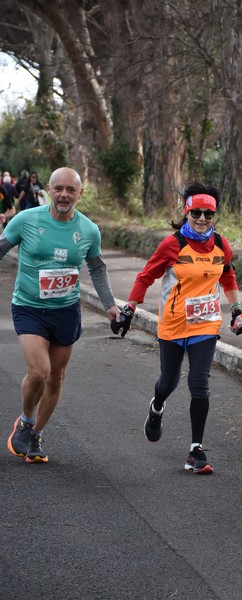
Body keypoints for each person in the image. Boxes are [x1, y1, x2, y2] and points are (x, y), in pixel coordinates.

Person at [111, 181, 242, 474]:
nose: (201, 219)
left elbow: (227, 276)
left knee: (199, 384)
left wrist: (236, 309)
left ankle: (195, 450)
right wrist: (130, 308)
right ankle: (157, 406)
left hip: (206, 324)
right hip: (173, 326)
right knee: (168, 384)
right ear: (186, 212)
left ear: (215, 216)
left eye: (208, 214)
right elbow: (146, 276)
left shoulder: (222, 245)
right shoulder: (172, 244)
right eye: (195, 212)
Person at [0, 167, 120, 463]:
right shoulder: (26, 220)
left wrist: (110, 305)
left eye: (70, 189)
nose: (63, 195)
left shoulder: (89, 230)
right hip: (28, 306)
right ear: (49, 190)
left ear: (80, 194)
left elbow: (97, 269)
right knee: (39, 371)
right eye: (58, 189)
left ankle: (37, 434)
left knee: (56, 377)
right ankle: (26, 421)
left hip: (65, 311)